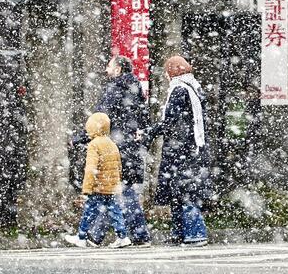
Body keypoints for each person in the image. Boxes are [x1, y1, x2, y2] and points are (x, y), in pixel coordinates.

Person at [76, 56, 152, 247]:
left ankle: (99, 235)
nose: (106, 69)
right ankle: (132, 235)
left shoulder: (114, 89)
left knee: (115, 191)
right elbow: (144, 121)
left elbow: (100, 119)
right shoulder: (137, 90)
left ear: (118, 69)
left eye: (109, 66)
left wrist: (79, 138)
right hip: (132, 149)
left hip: (116, 149)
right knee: (120, 190)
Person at [141, 56, 211, 247]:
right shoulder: (194, 87)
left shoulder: (179, 88)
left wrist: (150, 134)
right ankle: (179, 234)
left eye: (167, 72)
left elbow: (170, 119)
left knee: (183, 191)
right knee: (181, 191)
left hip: (181, 148)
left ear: (172, 72)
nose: (165, 76)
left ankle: (195, 233)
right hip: (193, 147)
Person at [63, 112, 131, 249]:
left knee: (89, 211)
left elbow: (91, 168)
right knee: (115, 211)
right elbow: (118, 166)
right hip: (110, 186)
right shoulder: (112, 144)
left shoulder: (94, 145)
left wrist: (87, 188)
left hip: (99, 187)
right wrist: (115, 184)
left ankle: (81, 237)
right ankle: (123, 236)